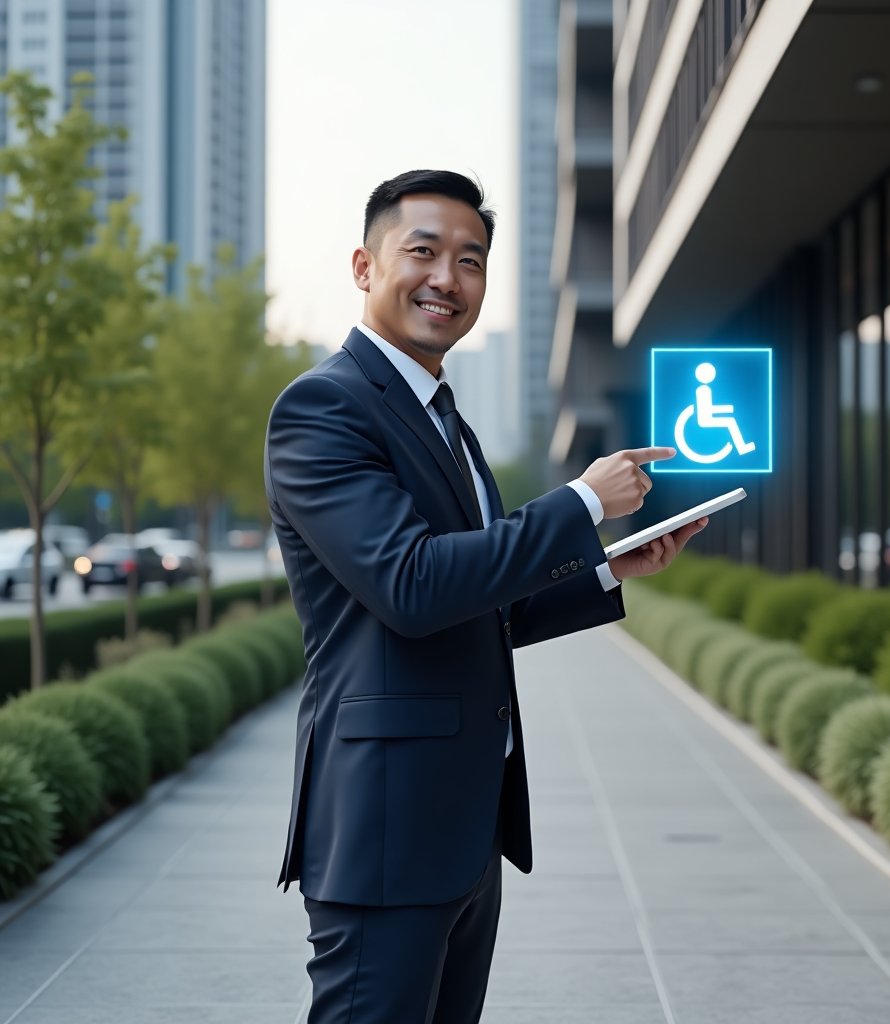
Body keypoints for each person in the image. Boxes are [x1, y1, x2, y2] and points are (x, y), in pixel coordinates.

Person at [264, 169, 707, 1024]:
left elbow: (482, 600)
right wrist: (579, 503)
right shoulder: (324, 407)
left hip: (464, 829)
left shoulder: (444, 418)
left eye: (471, 261)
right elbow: (412, 585)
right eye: (422, 252)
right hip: (387, 830)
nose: (447, 279)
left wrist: (611, 564)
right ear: (364, 266)